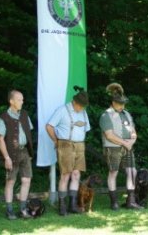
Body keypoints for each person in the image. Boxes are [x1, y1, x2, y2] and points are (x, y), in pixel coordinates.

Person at [46, 86, 91, 216]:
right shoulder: (62, 110)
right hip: (65, 144)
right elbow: (49, 126)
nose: (82, 108)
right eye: (81, 106)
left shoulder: (83, 112)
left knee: (76, 175)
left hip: (80, 146)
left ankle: (72, 205)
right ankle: (62, 205)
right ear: (75, 102)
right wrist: (56, 141)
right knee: (65, 175)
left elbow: (86, 128)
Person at [100, 83, 142, 210]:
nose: (122, 106)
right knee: (113, 172)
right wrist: (125, 143)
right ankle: (114, 203)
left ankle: (131, 201)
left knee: (132, 172)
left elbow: (133, 131)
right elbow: (109, 135)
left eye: (123, 103)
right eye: (120, 103)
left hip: (128, 147)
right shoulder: (105, 115)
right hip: (113, 148)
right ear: (113, 102)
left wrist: (131, 142)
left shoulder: (127, 114)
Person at [0, 90, 34, 220]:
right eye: (19, 100)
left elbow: (29, 133)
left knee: (26, 180)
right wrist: (6, 158)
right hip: (11, 153)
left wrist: (29, 152)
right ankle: (9, 210)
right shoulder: (3, 118)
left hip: (25, 152)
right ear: (11, 101)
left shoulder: (24, 114)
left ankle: (23, 209)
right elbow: (0, 139)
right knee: (11, 181)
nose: (22, 102)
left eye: (22, 99)